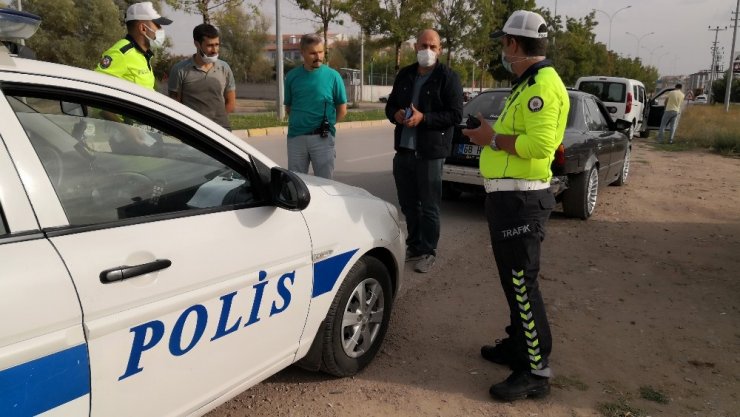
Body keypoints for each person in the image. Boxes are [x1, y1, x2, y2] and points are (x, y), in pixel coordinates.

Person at [461, 10, 568, 401]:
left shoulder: (542, 86)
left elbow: (539, 147)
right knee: (514, 281)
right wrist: (488, 134)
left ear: (512, 44)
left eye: (502, 42)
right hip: (509, 196)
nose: (502, 50)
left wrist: (490, 139)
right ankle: (517, 345)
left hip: (521, 199)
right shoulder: (528, 83)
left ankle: (535, 370)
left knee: (522, 283)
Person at [384, 29, 463, 274]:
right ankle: (415, 245)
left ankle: (429, 250)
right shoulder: (405, 74)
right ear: (415, 46)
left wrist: (424, 118)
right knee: (408, 204)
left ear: (439, 50)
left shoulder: (448, 77)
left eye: (433, 46)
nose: (427, 50)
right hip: (405, 150)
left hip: (430, 152)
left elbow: (455, 114)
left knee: (429, 206)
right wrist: (395, 114)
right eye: (423, 45)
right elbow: (391, 105)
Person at [283, 33, 347, 179]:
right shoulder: (292, 76)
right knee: (296, 183)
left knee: (325, 184)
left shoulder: (333, 76)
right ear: (302, 53)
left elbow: (342, 109)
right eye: (313, 53)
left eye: (320, 52)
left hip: (323, 139)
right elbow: (289, 107)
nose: (318, 56)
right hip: (296, 138)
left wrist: (327, 125)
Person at [168, 24, 236, 130]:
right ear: (197, 44)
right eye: (210, 45)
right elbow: (175, 105)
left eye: (217, 45)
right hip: (193, 132)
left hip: (222, 130)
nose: (214, 50)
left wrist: (217, 121)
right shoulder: (180, 70)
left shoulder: (224, 68)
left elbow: (231, 103)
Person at [95, 1, 171, 90]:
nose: (161, 29)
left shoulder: (143, 55)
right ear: (143, 28)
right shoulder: (121, 53)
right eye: (157, 25)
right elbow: (96, 90)